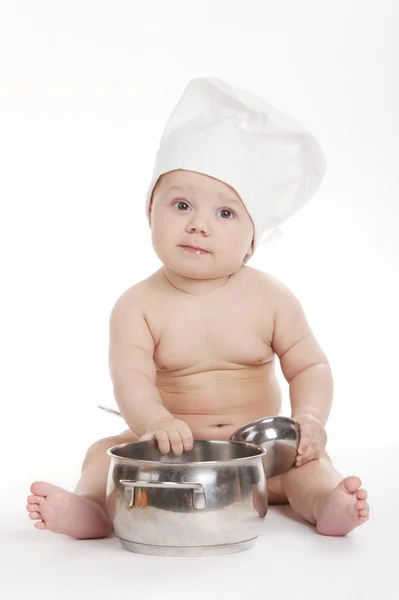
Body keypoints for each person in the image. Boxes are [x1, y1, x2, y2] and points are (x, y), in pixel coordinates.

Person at [26, 78, 369, 540]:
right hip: (169, 455)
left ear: (253, 240)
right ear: (150, 214)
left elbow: (310, 364)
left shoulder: (271, 298)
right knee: (103, 452)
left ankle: (326, 505)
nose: (198, 225)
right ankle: (91, 508)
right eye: (181, 204)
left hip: (259, 458)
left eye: (225, 214)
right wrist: (154, 422)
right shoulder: (137, 305)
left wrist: (309, 419)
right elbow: (131, 377)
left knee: (309, 467)